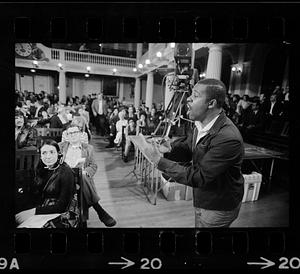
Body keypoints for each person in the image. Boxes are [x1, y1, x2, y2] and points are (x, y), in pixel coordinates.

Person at [140, 78, 244, 227]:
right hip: (203, 197)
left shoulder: (227, 138)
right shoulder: (200, 124)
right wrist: (170, 148)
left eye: (195, 96)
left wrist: (158, 161)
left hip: (218, 204)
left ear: (211, 103)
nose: (188, 98)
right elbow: (190, 147)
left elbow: (199, 176)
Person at [59, 123, 116, 227]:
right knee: (82, 183)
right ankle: (99, 209)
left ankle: (83, 221)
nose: (73, 135)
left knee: (82, 177)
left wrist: (86, 172)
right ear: (66, 135)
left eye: (75, 132)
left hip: (81, 179)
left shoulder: (88, 148)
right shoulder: (60, 147)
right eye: (70, 133)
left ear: (80, 134)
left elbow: (93, 166)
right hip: (64, 179)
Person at [15, 139, 75, 227]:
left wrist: (33, 212)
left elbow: (62, 206)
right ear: (40, 155)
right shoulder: (40, 168)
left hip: (61, 213)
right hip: (41, 209)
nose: (48, 156)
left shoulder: (66, 171)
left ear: (58, 154)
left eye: (52, 152)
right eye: (44, 153)